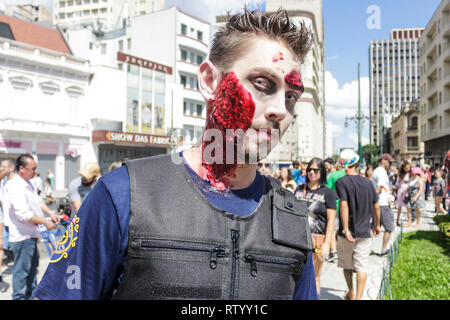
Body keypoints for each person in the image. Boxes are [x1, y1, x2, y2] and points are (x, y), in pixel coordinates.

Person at [34, 8, 319, 300]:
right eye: (262, 83)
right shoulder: (124, 194)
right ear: (210, 81)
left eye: (291, 96)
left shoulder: (291, 219)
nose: (280, 110)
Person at [5, 154, 60, 300]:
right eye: (32, 169)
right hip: (22, 236)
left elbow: (38, 201)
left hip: (31, 235)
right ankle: (19, 297)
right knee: (22, 273)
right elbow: (23, 214)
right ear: (22, 168)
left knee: (31, 271)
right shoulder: (15, 186)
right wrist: (45, 222)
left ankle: (29, 296)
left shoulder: (27, 183)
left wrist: (50, 213)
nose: (35, 172)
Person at [334, 149, 381, 300]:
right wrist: (377, 225)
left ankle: (351, 293)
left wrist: (346, 229)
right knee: (361, 266)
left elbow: (344, 205)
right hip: (365, 231)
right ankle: (358, 298)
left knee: (347, 265)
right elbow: (376, 206)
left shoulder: (341, 182)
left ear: (343, 164)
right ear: (356, 162)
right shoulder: (368, 182)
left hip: (346, 232)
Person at [294, 158, 336, 295]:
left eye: (315, 170)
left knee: (314, 277)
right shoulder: (299, 189)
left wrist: (327, 244)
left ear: (322, 172)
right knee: (296, 277)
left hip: (317, 241)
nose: (311, 172)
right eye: (309, 169)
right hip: (297, 239)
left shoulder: (328, 193)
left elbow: (331, 220)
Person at [372, 154, 396, 256]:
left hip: (379, 203)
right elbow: (379, 188)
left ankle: (366, 248)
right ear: (383, 160)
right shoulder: (381, 172)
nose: (390, 164)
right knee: (389, 227)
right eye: (389, 162)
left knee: (374, 227)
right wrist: (374, 200)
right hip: (383, 204)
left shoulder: (377, 171)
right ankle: (384, 249)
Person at [325, 162, 346, 263]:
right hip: (347, 206)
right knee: (344, 228)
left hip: (335, 205)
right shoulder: (348, 175)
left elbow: (327, 190)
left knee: (332, 229)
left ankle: (333, 251)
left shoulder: (333, 176)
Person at [1, 158, 16, 264]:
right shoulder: (3, 181)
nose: (1, 169)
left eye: (3, 167)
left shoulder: (16, 182)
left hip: (12, 219)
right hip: (4, 218)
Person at [395, 161, 411, 226]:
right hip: (401, 190)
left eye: (408, 168)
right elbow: (397, 183)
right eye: (406, 168)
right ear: (403, 168)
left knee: (408, 207)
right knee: (399, 207)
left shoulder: (410, 175)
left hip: (407, 190)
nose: (408, 169)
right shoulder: (400, 175)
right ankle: (397, 220)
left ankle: (409, 221)